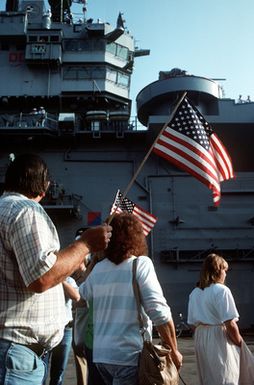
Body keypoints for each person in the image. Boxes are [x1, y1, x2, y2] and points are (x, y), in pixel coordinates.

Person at [0, 153, 112, 385]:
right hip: (15, 353)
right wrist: (86, 244)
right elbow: (42, 277)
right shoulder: (25, 211)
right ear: (44, 185)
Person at [79, 212, 183, 385]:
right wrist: (173, 350)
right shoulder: (140, 264)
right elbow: (160, 313)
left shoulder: (98, 270)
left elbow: (81, 297)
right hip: (128, 357)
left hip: (101, 357)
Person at [187, 253, 243, 385]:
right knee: (226, 376)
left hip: (201, 336)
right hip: (218, 335)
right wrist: (240, 343)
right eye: (224, 270)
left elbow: (192, 324)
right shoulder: (222, 290)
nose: (226, 274)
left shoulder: (194, 293)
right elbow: (230, 323)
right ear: (217, 271)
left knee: (208, 378)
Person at [43, 276, 80, 385]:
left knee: (59, 370)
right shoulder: (46, 279)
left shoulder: (69, 280)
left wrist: (60, 280)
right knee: (43, 367)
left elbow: (76, 296)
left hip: (66, 330)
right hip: (48, 329)